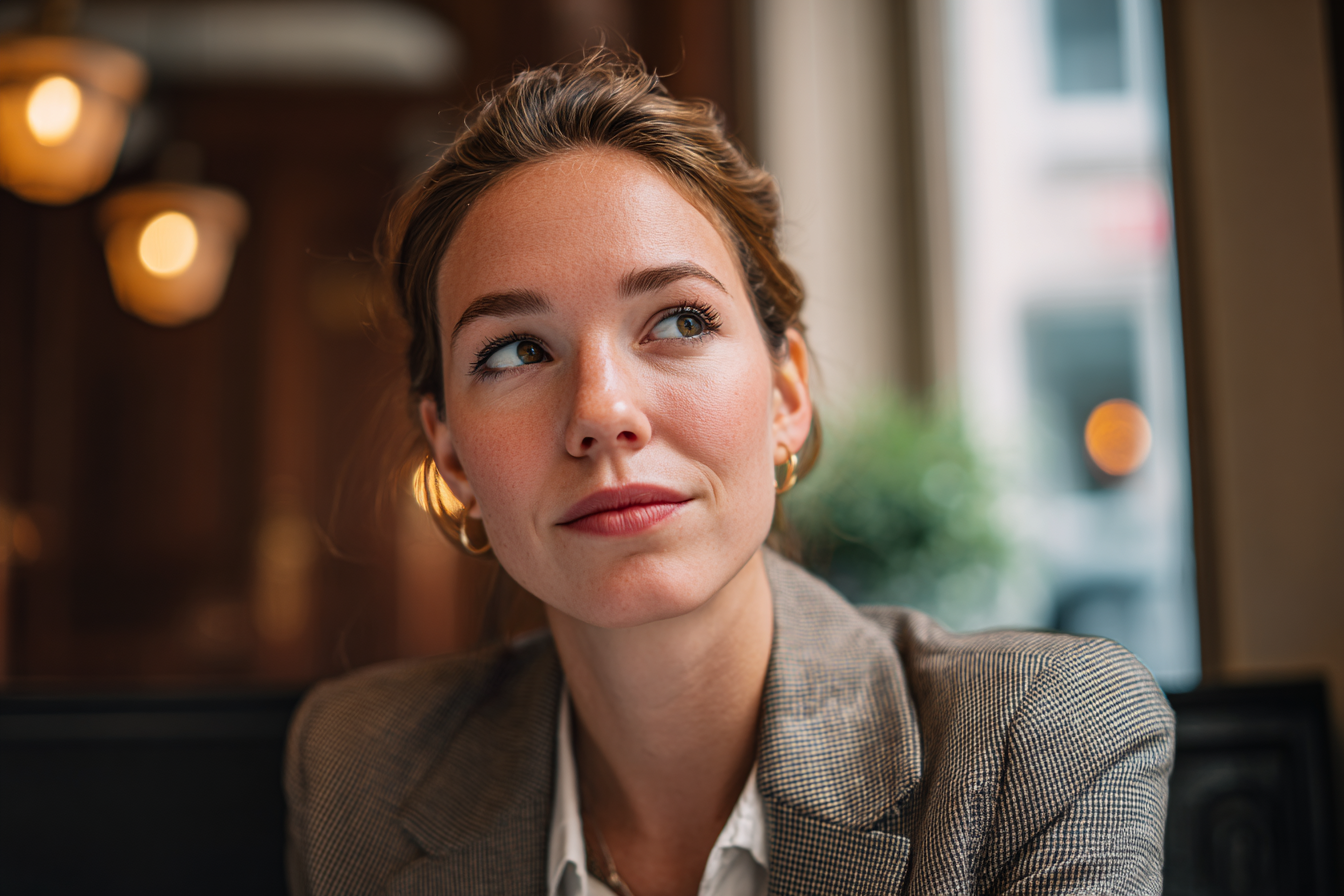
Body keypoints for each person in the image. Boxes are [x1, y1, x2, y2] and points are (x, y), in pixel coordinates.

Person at [284, 50, 1174, 896]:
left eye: (676, 322)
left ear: (787, 394)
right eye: (516, 350)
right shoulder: (359, 765)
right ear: (450, 455)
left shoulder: (1041, 740)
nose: (602, 410)